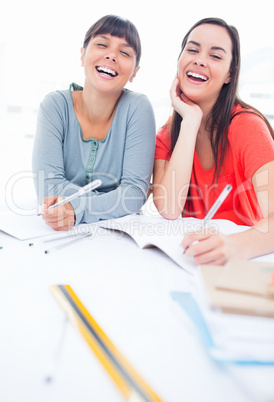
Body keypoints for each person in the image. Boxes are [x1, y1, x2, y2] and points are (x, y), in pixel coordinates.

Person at [153, 18, 274, 265]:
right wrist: (190, 122)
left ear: (230, 73)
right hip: (189, 258)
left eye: (215, 56)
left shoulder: (247, 126)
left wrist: (234, 246)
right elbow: (169, 208)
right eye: (192, 49)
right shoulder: (167, 135)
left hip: (240, 261)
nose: (200, 60)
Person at [32, 14, 155, 231]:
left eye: (125, 52)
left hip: (116, 235)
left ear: (135, 72)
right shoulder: (55, 106)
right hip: (56, 233)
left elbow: (134, 195)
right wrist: (116, 199)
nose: (111, 55)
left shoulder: (138, 108)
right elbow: (48, 189)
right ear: (82, 55)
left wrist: (76, 208)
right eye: (102, 44)